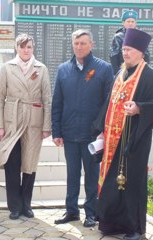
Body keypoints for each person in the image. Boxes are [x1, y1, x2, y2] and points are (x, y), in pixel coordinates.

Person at [93, 28, 153, 240]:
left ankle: (135, 229)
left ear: (140, 51)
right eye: (123, 49)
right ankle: (113, 224)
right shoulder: (120, 74)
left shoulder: (151, 77)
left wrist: (139, 108)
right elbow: (108, 104)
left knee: (132, 183)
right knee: (114, 182)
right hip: (113, 139)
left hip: (134, 139)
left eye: (129, 49)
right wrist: (100, 132)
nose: (125, 53)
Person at [52, 29, 114, 228]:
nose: (79, 47)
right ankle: (71, 211)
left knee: (92, 176)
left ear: (92, 45)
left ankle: (91, 213)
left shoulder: (103, 69)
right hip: (69, 133)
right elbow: (57, 103)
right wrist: (57, 131)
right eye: (76, 43)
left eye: (83, 43)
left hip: (92, 135)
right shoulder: (63, 69)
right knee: (72, 175)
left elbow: (108, 102)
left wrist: (103, 130)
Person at [0, 33, 51, 220]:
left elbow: (47, 99)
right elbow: (0, 97)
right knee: (11, 162)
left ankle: (26, 204)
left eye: (29, 47)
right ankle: (14, 206)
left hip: (33, 121)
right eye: (22, 47)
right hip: (12, 121)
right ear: (16, 48)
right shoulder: (7, 68)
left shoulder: (41, 69)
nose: (26, 50)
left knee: (29, 164)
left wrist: (46, 126)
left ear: (33, 49)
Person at [110, 10, 150, 75]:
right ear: (123, 23)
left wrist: (145, 72)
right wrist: (117, 73)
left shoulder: (141, 36)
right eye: (128, 21)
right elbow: (114, 56)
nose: (130, 23)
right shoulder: (118, 37)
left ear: (135, 23)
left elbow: (146, 55)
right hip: (123, 70)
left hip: (138, 71)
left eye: (132, 21)